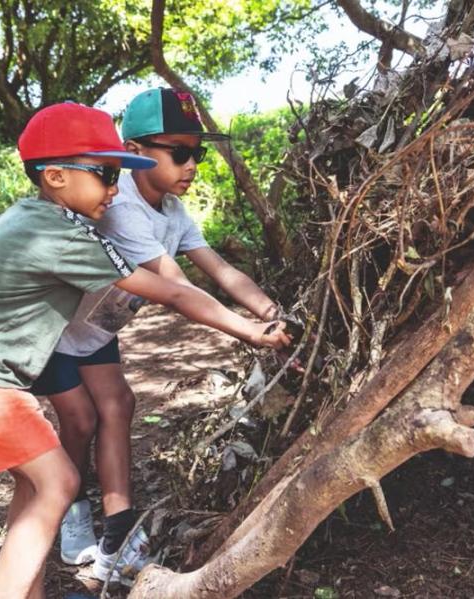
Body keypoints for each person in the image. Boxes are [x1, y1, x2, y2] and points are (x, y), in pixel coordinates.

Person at [0, 101, 291, 599]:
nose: (115, 188)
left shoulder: (38, 219)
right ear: (56, 176)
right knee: (60, 482)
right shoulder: (59, 234)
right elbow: (171, 289)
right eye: (106, 174)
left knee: (34, 486)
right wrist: (251, 330)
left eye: (118, 177)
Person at [31, 88, 285, 584]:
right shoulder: (120, 205)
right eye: (180, 152)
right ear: (134, 151)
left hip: (97, 328)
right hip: (54, 328)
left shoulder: (172, 210)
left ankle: (118, 527)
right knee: (80, 418)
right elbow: (178, 290)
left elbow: (221, 271)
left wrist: (273, 312)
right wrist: (250, 331)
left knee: (119, 405)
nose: (192, 164)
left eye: (198, 152)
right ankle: (71, 504)